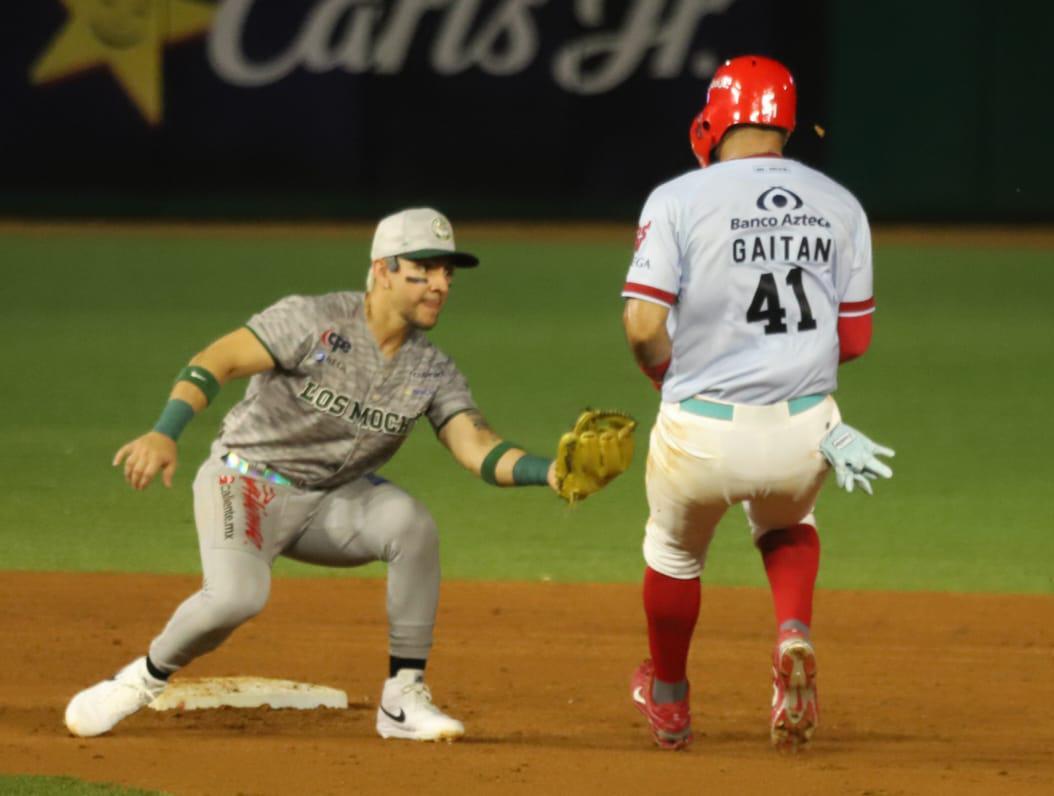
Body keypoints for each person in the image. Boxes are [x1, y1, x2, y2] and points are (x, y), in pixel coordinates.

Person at [65, 208, 565, 742]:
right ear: (383, 270)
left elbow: (477, 447)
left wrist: (551, 471)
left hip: (328, 503)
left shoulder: (431, 369)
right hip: (246, 483)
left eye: (447, 272)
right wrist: (165, 431)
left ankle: (403, 698)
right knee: (237, 597)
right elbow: (220, 359)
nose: (440, 285)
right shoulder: (314, 320)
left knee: (410, 524)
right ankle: (140, 680)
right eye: (424, 269)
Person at [620, 55, 895, 751]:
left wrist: (664, 379)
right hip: (805, 432)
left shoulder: (678, 198)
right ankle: (792, 631)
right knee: (788, 521)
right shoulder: (840, 203)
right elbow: (854, 340)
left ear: (712, 119)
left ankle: (672, 701)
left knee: (675, 555)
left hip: (701, 434)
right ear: (789, 124)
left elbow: (644, 326)